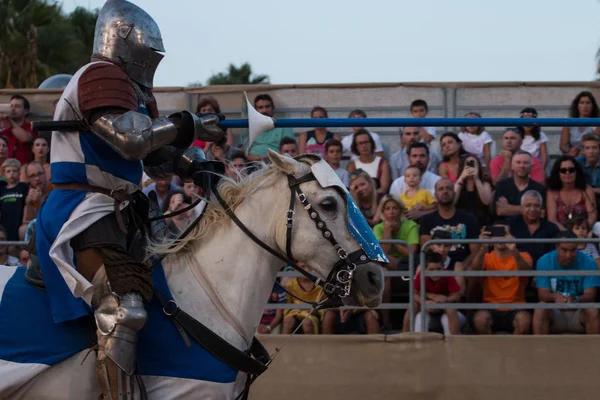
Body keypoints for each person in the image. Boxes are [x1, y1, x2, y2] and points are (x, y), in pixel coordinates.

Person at [31, 2, 226, 398]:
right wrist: (185, 124)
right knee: (126, 309)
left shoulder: (132, 92)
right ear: (122, 37)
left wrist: (197, 163)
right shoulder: (99, 76)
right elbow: (131, 139)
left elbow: (155, 161)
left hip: (127, 208)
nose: (151, 58)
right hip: (85, 211)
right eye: (148, 48)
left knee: (178, 287)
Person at [470, 222, 533, 335]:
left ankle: (514, 352)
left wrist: (514, 250)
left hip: (516, 307)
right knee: (480, 320)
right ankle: (490, 352)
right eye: (496, 233)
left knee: (524, 322)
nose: (500, 237)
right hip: (490, 306)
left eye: (504, 233)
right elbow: (474, 271)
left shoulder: (523, 255)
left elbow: (527, 271)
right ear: (491, 237)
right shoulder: (486, 257)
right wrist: (482, 247)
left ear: (511, 236)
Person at [533, 231, 600, 335]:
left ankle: (595, 350)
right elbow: (542, 294)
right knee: (540, 308)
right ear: (557, 247)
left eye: (573, 250)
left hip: (579, 311)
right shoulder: (544, 261)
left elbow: (591, 295)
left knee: (592, 310)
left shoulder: (589, 262)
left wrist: (575, 299)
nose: (568, 255)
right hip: (555, 312)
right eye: (564, 250)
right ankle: (539, 350)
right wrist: (555, 297)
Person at [419, 179, 480, 268]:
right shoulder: (427, 219)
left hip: (463, 267)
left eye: (448, 188)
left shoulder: (469, 218)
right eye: (441, 189)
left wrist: (462, 268)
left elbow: (475, 251)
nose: (445, 191)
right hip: (436, 267)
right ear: (435, 195)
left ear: (454, 193)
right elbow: (426, 247)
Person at [413, 252, 462, 335]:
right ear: (425, 269)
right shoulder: (421, 275)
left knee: (449, 310)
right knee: (414, 308)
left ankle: (455, 343)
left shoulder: (447, 275)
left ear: (443, 267)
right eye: (431, 270)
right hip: (427, 310)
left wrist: (442, 301)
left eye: (439, 269)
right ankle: (405, 338)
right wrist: (425, 302)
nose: (435, 273)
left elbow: (456, 296)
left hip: (447, 311)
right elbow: (414, 294)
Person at [546, 155, 597, 231]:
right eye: (563, 170)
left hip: (584, 234)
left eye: (571, 170)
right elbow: (552, 220)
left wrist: (582, 231)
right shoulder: (552, 193)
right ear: (558, 173)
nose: (567, 173)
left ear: (576, 172)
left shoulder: (586, 190)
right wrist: (569, 235)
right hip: (561, 236)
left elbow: (592, 216)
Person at [454, 153, 493, 226]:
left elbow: (486, 201)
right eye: (468, 164)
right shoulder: (457, 184)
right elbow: (452, 201)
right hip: (461, 223)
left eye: (473, 164)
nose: (471, 166)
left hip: (481, 221)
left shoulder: (485, 184)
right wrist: (462, 177)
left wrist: (476, 178)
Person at [346, 129, 391, 194]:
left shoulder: (383, 163)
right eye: (360, 143)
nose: (364, 146)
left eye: (366, 142)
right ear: (356, 146)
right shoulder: (352, 165)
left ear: (371, 143)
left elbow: (384, 188)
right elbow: (352, 187)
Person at [560, 91, 600, 157]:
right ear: (577, 106)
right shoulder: (568, 122)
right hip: (573, 156)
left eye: (588, 103)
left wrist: (583, 153)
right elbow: (563, 145)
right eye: (582, 103)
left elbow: (596, 144)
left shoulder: (597, 123)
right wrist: (570, 151)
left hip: (591, 156)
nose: (585, 106)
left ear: (593, 105)